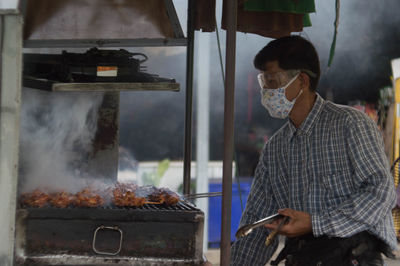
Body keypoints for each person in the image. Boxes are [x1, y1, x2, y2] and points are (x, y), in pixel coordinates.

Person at [230, 35, 397, 265]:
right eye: (263, 81)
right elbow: (257, 223)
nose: (266, 90)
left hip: (355, 257)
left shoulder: (350, 124)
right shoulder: (275, 148)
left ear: (302, 81)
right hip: (304, 257)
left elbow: (381, 192)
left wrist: (315, 223)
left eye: (273, 80)